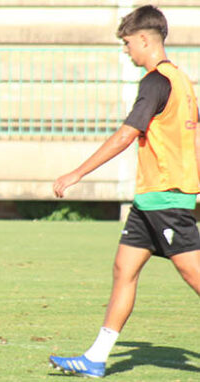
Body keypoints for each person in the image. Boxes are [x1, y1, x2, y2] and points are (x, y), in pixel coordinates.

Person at [49, 5, 200, 378]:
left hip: (166, 197)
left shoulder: (155, 81)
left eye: (128, 43)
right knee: (123, 270)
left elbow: (126, 134)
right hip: (149, 200)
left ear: (145, 39)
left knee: (196, 277)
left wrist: (76, 173)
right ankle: (96, 358)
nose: (125, 50)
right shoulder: (181, 80)